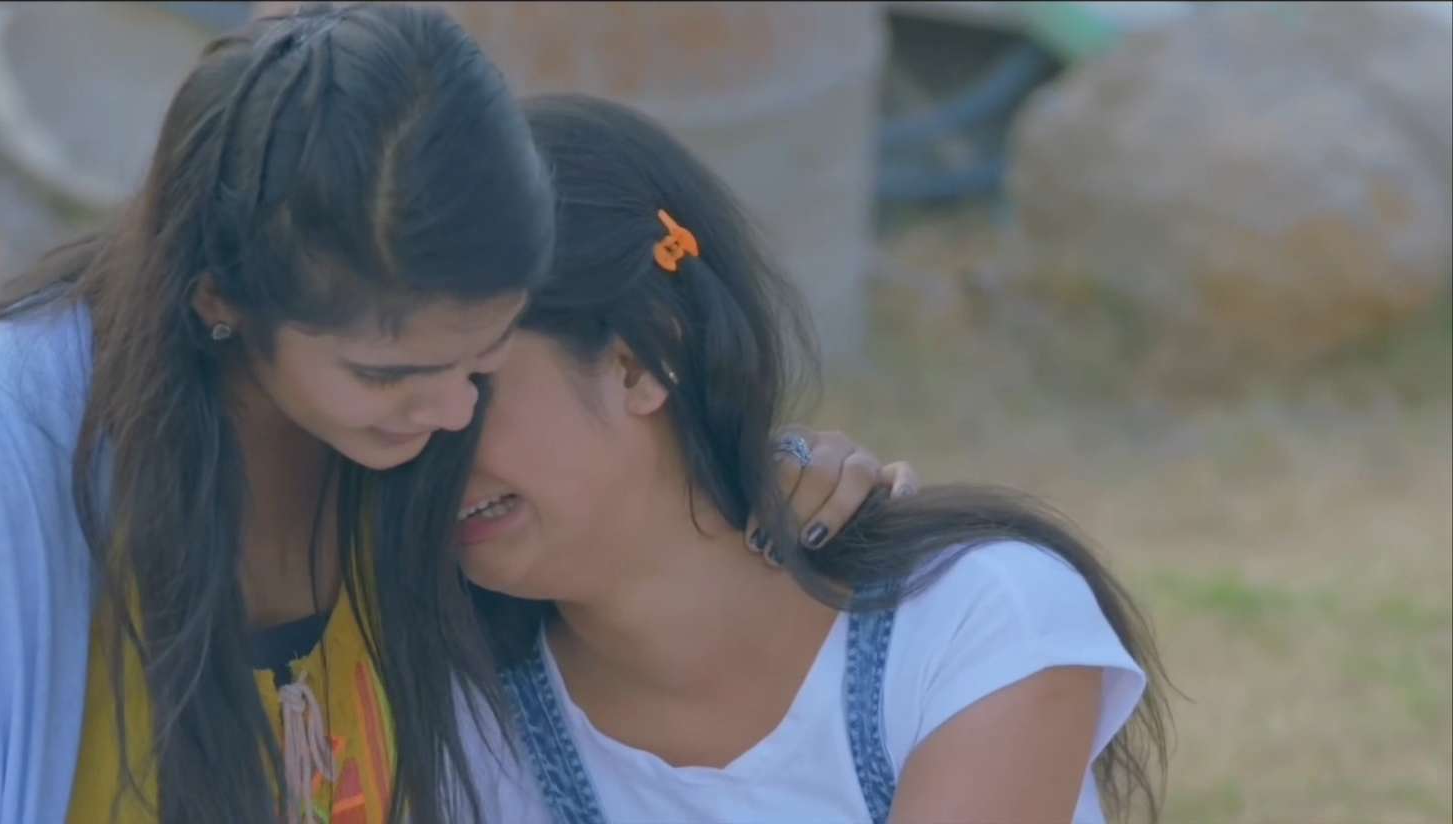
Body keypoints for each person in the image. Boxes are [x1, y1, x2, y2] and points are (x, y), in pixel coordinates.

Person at [0, 6, 912, 824]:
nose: (450, 413)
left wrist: (746, 469)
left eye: (484, 360)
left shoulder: (416, 451)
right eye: (391, 375)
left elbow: (627, 548)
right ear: (222, 301)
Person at [442, 93, 1172, 824]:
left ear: (639, 363)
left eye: (472, 382)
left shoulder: (972, 620)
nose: (431, 439)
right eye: (398, 395)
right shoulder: (457, 725)